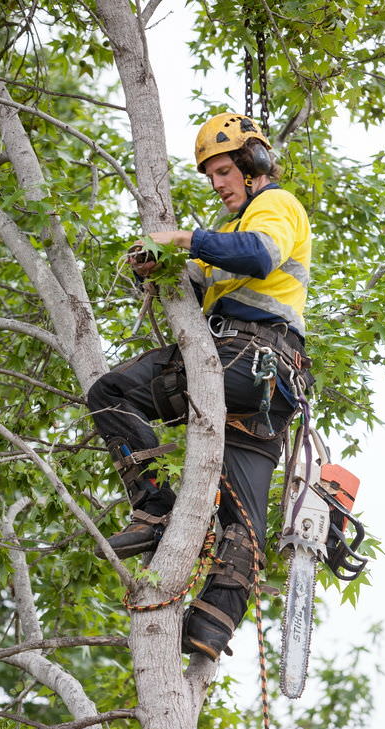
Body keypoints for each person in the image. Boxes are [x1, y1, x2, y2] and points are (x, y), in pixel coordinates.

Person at [86, 112, 312, 660]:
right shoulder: (229, 234)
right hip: (264, 391)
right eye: (211, 175)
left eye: (226, 170)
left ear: (255, 161)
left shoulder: (274, 206)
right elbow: (210, 277)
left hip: (246, 359)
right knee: (243, 525)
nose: (218, 183)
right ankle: (209, 628)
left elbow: (260, 257)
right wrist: (162, 264)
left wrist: (186, 238)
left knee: (110, 393)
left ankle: (155, 507)